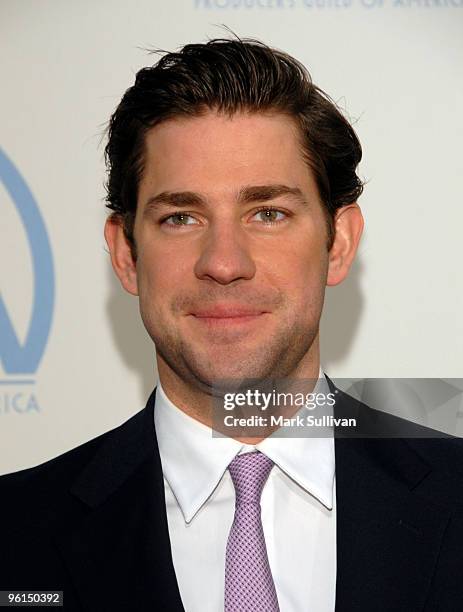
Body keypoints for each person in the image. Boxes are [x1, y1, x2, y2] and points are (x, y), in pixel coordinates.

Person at [1, 37, 462, 612]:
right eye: (181, 217)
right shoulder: (13, 535)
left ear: (338, 243)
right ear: (125, 254)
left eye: (268, 214)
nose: (223, 262)